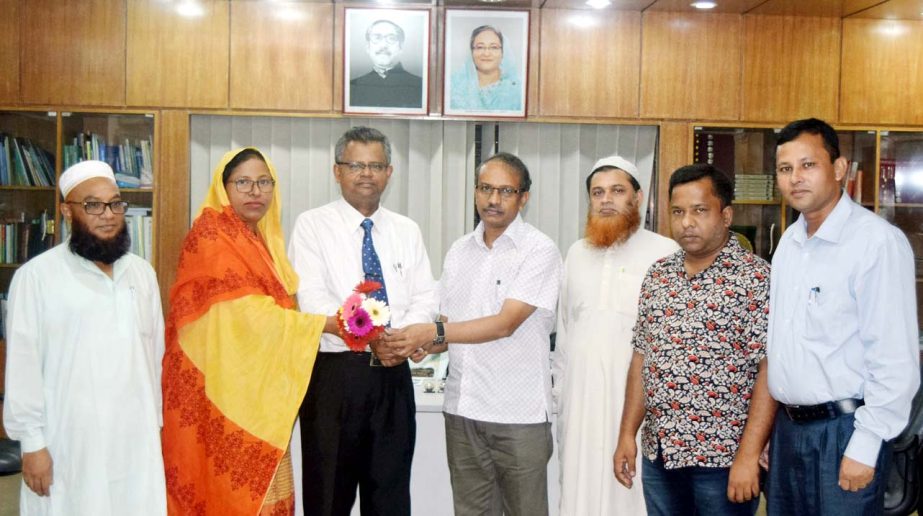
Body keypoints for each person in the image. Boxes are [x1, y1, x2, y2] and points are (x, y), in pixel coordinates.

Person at [385, 152, 563, 516]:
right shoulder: (459, 251)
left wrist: (432, 330)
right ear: (475, 192)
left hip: (518, 415)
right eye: (485, 188)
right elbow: (449, 327)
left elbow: (505, 323)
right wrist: (420, 343)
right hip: (463, 410)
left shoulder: (539, 251)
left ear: (523, 197)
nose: (493, 199)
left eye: (505, 191)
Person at [161, 148, 335, 515]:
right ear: (224, 188)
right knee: (231, 496)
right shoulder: (211, 236)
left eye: (264, 182)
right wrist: (323, 324)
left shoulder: (257, 238)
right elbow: (246, 317)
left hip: (256, 391)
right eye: (243, 182)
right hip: (223, 394)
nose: (255, 192)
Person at [766, 118, 920, 515]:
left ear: (839, 169)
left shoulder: (875, 243)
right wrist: (771, 432)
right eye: (785, 169)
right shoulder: (789, 243)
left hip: (846, 431)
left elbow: (894, 358)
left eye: (808, 165)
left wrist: (867, 444)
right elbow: (782, 347)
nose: (795, 178)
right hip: (788, 431)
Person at [288, 126, 438, 515]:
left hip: (393, 378)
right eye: (356, 165)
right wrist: (371, 335)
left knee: (390, 499)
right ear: (337, 171)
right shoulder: (312, 226)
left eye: (376, 165)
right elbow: (312, 300)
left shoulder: (407, 230)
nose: (366, 174)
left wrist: (402, 340)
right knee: (328, 498)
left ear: (390, 173)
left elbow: (426, 296)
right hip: (336, 378)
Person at [3, 160, 166, 515]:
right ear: (66, 211)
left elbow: (155, 358)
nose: (108, 214)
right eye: (92, 205)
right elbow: (24, 367)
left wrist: (156, 428)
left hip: (135, 439)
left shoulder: (142, 273)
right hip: (69, 440)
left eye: (115, 203)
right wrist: (32, 444)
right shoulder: (37, 278)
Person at [613, 164, 775, 516]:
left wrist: (749, 456)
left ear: (726, 214)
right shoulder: (658, 276)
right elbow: (642, 358)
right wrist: (627, 433)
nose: (687, 222)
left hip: (722, 461)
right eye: (678, 212)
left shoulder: (755, 279)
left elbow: (769, 371)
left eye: (700, 210)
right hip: (661, 455)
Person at [552, 156, 679, 516]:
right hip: (580, 404)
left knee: (632, 497)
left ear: (637, 198)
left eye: (617, 191)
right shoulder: (576, 253)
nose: (606, 199)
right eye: (598, 192)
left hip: (635, 407)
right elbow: (565, 332)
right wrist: (561, 397)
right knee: (579, 489)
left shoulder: (665, 253)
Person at [349, 19, 423, 109]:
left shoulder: (420, 86)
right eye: (377, 38)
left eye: (391, 38)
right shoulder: (352, 87)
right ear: (368, 47)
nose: (383, 45)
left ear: (401, 47)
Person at [448, 25, 523, 112]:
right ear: (471, 52)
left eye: (494, 47)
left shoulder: (518, 90)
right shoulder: (453, 87)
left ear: (503, 52)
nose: (486, 53)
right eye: (480, 47)